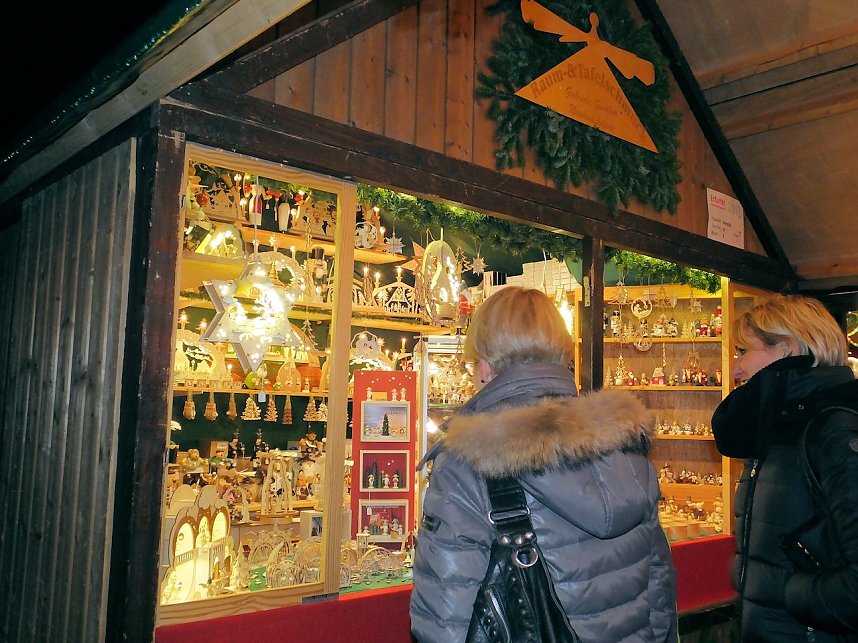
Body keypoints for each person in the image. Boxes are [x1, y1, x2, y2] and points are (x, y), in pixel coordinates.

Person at [409, 286, 677, 642]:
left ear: (485, 365)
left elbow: (444, 616)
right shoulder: (626, 448)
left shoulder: (469, 461)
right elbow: (659, 585)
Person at [711, 293, 858, 641]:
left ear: (786, 349)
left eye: (743, 351)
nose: (735, 369)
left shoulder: (834, 431)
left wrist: (789, 593)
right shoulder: (776, 428)